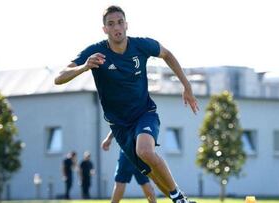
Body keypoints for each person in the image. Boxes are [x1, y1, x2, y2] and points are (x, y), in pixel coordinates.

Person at [55, 5, 199, 203]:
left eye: (120, 22)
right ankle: (178, 198)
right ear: (105, 29)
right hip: (120, 127)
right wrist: (84, 66)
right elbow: (59, 78)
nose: (117, 27)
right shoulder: (95, 52)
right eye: (111, 24)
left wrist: (187, 86)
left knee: (145, 151)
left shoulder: (141, 45)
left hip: (144, 113)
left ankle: (179, 199)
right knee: (152, 175)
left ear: (126, 24)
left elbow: (167, 54)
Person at [101, 131, 156, 203]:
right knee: (145, 182)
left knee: (120, 182)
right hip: (140, 153)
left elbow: (116, 122)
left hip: (128, 151)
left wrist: (108, 138)